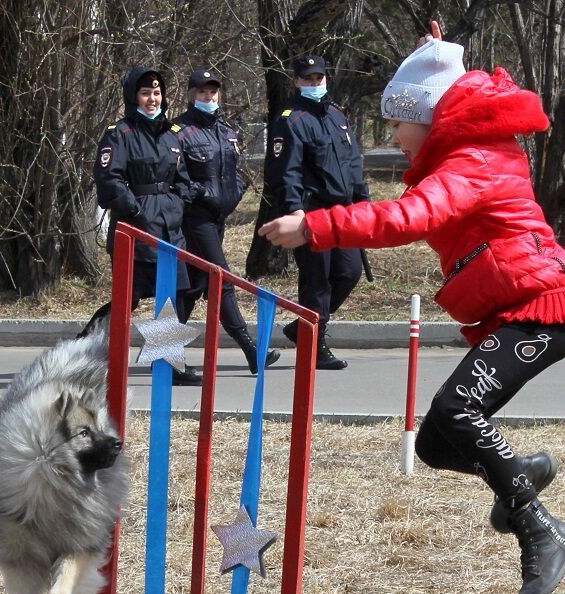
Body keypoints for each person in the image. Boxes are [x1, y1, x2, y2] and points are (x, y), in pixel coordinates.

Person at [259, 24, 565, 594]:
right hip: (521, 311)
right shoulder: (465, 155)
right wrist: (430, 54)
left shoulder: (471, 162)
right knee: (437, 444)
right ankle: (519, 474)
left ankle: (544, 528)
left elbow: (407, 218)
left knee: (454, 410)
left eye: (396, 121)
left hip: (540, 312)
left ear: (428, 117)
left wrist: (314, 227)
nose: (393, 135)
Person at [85, 67, 204, 385]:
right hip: (134, 234)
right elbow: (109, 181)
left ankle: (167, 362)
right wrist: (137, 209)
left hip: (169, 231)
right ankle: (85, 352)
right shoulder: (119, 133)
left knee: (174, 295)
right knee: (128, 299)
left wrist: (177, 203)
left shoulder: (171, 134)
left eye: (156, 93)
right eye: (145, 93)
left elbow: (183, 179)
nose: (152, 99)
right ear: (132, 97)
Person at [263, 54, 370, 370]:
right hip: (311, 212)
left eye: (318, 78)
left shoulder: (337, 116)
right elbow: (286, 171)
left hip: (344, 211)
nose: (314, 84)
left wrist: (363, 202)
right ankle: (315, 345)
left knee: (349, 272)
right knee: (317, 281)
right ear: (296, 81)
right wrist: (294, 210)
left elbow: (353, 164)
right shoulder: (291, 119)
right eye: (307, 79)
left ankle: (304, 327)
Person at [173, 67, 280, 374]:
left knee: (192, 286)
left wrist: (236, 192)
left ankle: (162, 351)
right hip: (194, 219)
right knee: (222, 279)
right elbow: (176, 178)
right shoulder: (179, 131)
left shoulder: (226, 130)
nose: (208, 97)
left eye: (213, 91)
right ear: (192, 95)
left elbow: (234, 170)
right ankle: (251, 349)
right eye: (202, 92)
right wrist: (202, 195)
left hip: (218, 218)